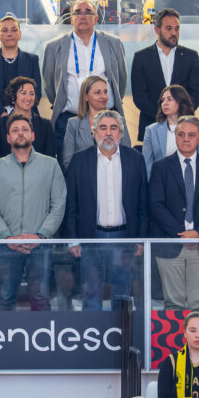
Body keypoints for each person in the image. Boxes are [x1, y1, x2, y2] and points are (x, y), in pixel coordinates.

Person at [0, 113, 67, 311]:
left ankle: (43, 332)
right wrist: (6, 237)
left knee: (40, 298)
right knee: (5, 298)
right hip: (6, 244)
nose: (20, 133)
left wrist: (41, 235)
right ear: (8, 138)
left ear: (33, 135)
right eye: (15, 130)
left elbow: (59, 203)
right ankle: (4, 333)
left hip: (40, 244)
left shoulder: (51, 165)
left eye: (24, 129)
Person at [63, 110, 144, 309]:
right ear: (94, 132)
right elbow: (71, 204)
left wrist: (141, 239)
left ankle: (120, 330)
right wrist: (73, 240)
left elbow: (143, 203)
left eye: (113, 128)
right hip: (91, 237)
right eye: (103, 128)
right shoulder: (79, 160)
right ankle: (93, 330)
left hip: (124, 238)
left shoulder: (135, 159)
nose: (108, 133)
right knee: (91, 293)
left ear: (121, 134)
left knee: (122, 294)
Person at [148, 116, 199, 311]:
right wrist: (181, 234)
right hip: (170, 244)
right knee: (172, 305)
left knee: (198, 305)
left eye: (191, 135)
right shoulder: (160, 167)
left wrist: (197, 233)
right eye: (181, 134)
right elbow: (156, 204)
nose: (186, 139)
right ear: (175, 137)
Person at [44, 0, 129, 148]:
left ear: (96, 19)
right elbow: (49, 85)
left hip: (106, 119)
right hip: (68, 119)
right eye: (78, 12)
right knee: (68, 161)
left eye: (88, 12)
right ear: (71, 19)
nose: (82, 16)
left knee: (108, 160)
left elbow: (120, 80)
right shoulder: (54, 47)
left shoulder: (113, 43)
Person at [0, 15, 44, 151]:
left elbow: (36, 92)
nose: (9, 34)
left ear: (20, 34)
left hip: (28, 123)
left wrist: (20, 114)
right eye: (5, 30)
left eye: (14, 30)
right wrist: (3, 114)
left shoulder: (31, 60)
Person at [61, 75, 132, 170]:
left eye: (105, 92)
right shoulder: (73, 124)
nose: (103, 96)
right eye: (97, 92)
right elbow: (68, 162)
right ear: (86, 96)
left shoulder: (119, 121)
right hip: (84, 176)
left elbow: (127, 156)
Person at [144, 84, 199, 176]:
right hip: (162, 180)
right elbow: (147, 166)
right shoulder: (151, 130)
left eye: (169, 99)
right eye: (163, 100)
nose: (165, 103)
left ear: (181, 101)